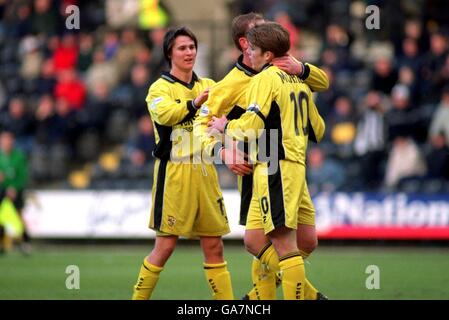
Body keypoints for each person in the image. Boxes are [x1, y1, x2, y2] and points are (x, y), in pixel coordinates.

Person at [194, 13, 328, 300]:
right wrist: (222, 150)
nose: (268, 31)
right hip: (253, 167)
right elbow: (199, 126)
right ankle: (295, 295)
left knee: (293, 243)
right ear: (245, 43)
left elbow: (322, 83)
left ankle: (265, 297)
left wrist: (303, 68)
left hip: (275, 164)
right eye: (259, 31)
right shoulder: (231, 83)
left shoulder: (285, 71)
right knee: (263, 241)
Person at [131, 27, 233, 300]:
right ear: (169, 53)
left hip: (205, 171)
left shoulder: (208, 84)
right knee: (164, 247)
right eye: (182, 48)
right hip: (175, 173)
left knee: (214, 246)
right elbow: (166, 115)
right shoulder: (159, 88)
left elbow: (226, 111)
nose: (189, 52)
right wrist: (195, 103)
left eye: (192, 47)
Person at [0, 131, 30, 254]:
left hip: (15, 192)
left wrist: (13, 187)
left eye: (9, 140)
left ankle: (25, 242)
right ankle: (2, 244)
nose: (7, 143)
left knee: (18, 217)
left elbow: (23, 176)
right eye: (4, 140)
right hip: (1, 191)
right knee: (1, 218)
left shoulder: (19, 157)